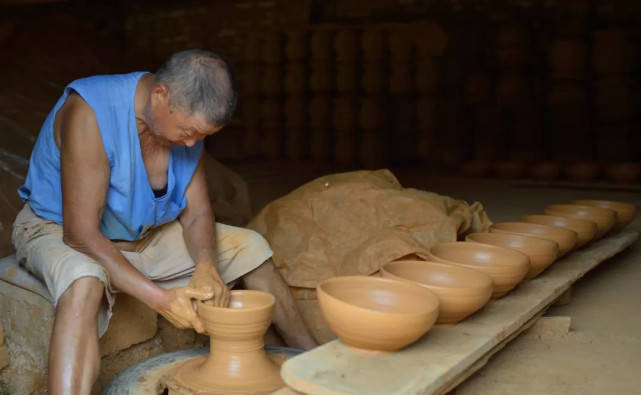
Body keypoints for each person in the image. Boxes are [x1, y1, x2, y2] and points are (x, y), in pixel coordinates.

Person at [12, 49, 317, 394]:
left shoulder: (183, 127)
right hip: (57, 230)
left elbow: (198, 211)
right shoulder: (91, 113)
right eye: (188, 131)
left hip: (141, 235)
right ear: (160, 96)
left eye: (201, 136)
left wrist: (206, 265)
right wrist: (161, 300)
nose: (191, 143)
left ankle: (316, 364)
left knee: (252, 247)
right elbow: (81, 233)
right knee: (84, 280)